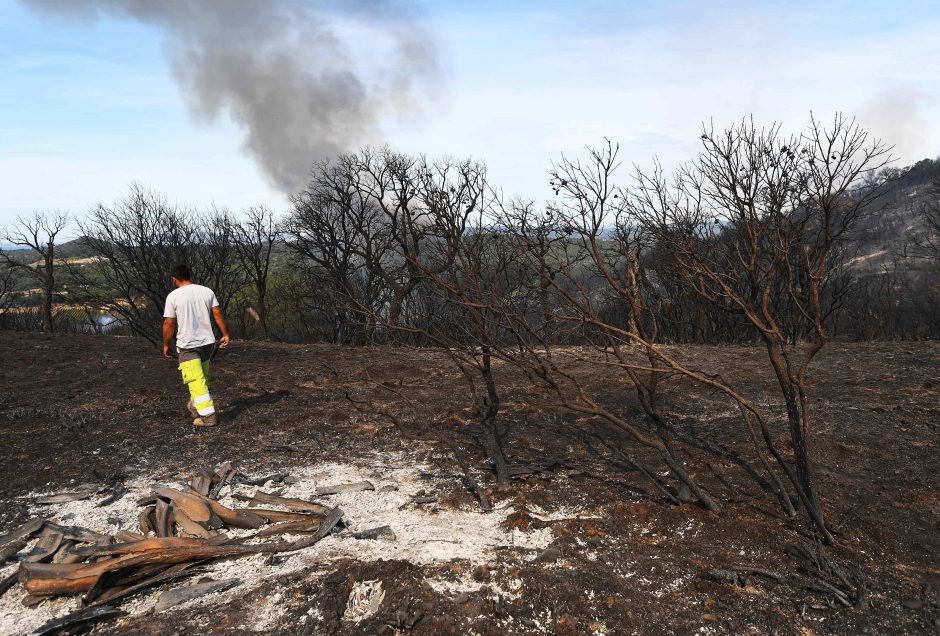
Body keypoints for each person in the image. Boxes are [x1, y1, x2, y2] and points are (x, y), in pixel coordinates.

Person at [162, 264, 230, 427]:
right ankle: (195, 404)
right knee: (201, 378)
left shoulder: (173, 296)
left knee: (196, 379)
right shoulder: (207, 291)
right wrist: (225, 334)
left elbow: (169, 323)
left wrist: (165, 344)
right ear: (188, 275)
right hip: (207, 343)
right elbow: (217, 314)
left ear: (174, 279)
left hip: (188, 345)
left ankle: (208, 417)